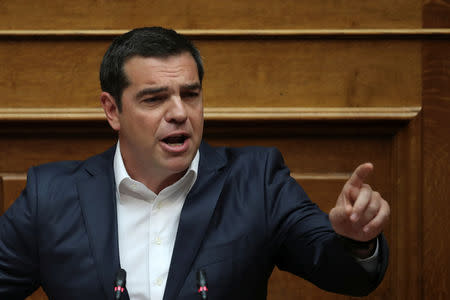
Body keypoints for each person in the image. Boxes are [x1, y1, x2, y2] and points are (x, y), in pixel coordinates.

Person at [0, 27, 390, 300]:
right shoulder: (50, 195)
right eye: (154, 99)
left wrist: (357, 242)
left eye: (190, 95)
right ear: (112, 110)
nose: (179, 113)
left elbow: (344, 274)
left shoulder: (256, 181)